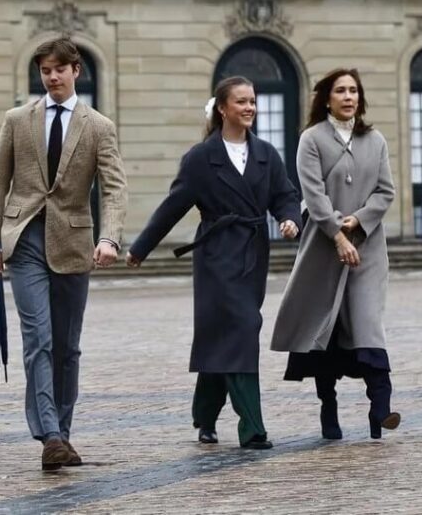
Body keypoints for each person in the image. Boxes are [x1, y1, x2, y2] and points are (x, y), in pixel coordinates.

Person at [126, 76, 301, 450]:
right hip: (216, 258)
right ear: (223, 108)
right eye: (241, 101)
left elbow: (285, 194)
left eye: (252, 101)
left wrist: (290, 219)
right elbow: (173, 206)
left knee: (224, 337)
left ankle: (204, 415)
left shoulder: (267, 154)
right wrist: (140, 248)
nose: (250, 107)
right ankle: (252, 428)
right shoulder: (201, 158)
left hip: (253, 256)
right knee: (242, 328)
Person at [0, 37, 127, 470]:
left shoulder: (99, 126)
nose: (52, 77)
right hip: (23, 240)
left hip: (74, 243)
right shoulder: (18, 120)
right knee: (38, 339)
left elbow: (115, 188)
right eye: (45, 71)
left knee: (67, 346)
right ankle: (49, 433)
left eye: (59, 69)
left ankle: (61, 431)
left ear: (75, 71)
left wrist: (110, 237)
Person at [271, 68, 400, 440]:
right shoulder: (311, 139)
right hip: (323, 249)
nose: (349, 97)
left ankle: (381, 408)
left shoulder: (375, 140)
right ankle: (329, 407)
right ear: (326, 98)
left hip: (369, 249)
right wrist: (337, 234)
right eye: (341, 91)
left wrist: (358, 221)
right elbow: (312, 194)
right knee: (324, 328)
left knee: (367, 323)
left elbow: (385, 191)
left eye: (354, 91)